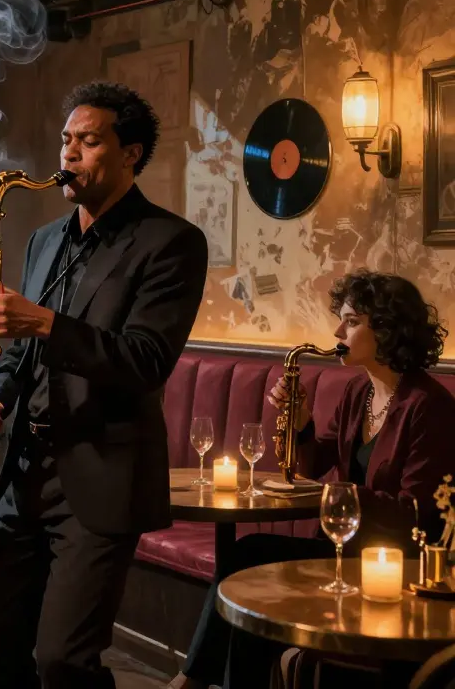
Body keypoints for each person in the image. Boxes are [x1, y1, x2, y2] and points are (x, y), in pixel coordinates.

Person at [0, 81, 209, 689]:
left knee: (64, 662)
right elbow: (22, 353)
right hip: (26, 470)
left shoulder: (171, 242)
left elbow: (146, 360)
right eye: (67, 139)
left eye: (89, 141)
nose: (68, 155)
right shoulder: (45, 240)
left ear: (131, 153)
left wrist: (43, 322)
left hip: (100, 476)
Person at [170, 269, 455, 689]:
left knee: (251, 564)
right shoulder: (359, 393)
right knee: (246, 561)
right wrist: (300, 421)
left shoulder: (428, 406)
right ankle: (200, 680)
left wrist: (338, 495)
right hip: (341, 552)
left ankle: (193, 682)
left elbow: (418, 514)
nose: (338, 329)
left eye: (352, 321)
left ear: (389, 329)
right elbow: (312, 462)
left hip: (393, 571)